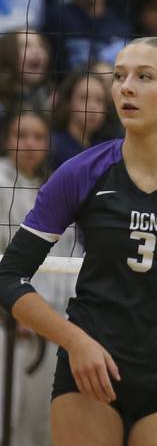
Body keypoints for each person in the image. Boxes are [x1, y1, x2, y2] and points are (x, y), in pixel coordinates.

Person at [0, 36, 157, 445]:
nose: (126, 87)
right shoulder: (82, 172)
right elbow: (9, 275)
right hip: (89, 368)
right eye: (119, 76)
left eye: (144, 77)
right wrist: (74, 340)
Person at [0, 111, 81, 446]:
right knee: (9, 416)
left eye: (38, 137)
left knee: (40, 421)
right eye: (23, 135)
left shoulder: (54, 188)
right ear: (7, 140)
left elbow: (73, 257)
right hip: (11, 324)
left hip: (51, 324)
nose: (31, 144)